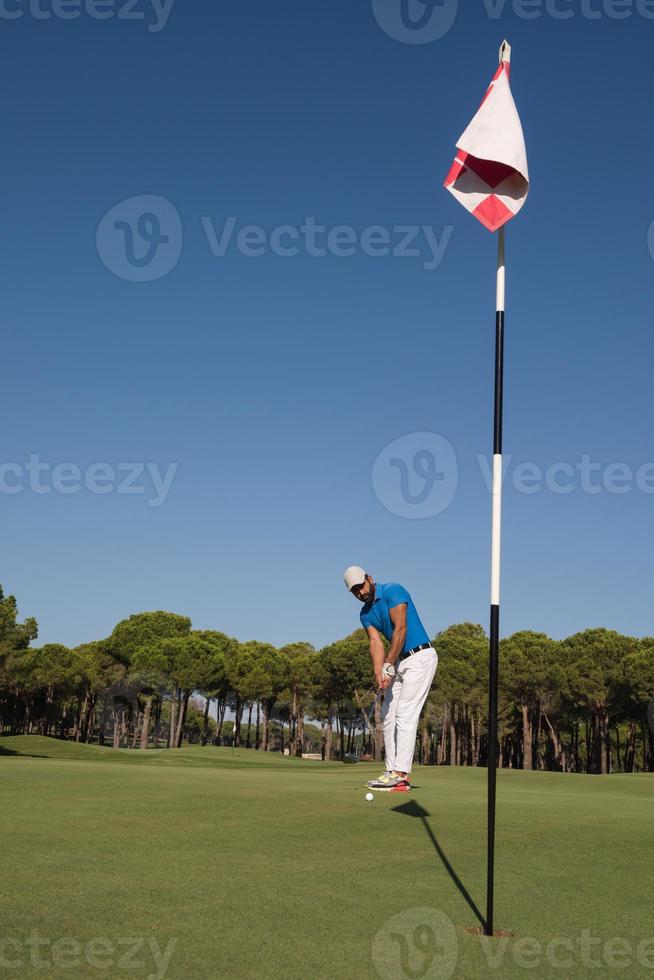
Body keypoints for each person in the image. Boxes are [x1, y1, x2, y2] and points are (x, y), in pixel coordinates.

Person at [344, 566, 438, 792]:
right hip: (399, 662)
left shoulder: (393, 591)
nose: (361, 592)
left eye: (362, 586)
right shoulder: (365, 614)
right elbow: (375, 643)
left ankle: (401, 775)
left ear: (370, 578)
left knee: (405, 714)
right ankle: (390, 772)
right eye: (355, 591)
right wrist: (380, 672)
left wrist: (388, 663)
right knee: (388, 714)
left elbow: (401, 629)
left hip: (420, 657)